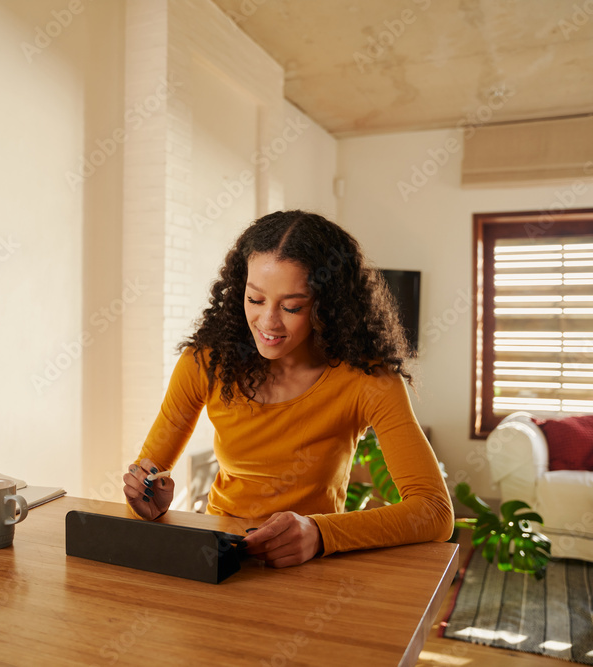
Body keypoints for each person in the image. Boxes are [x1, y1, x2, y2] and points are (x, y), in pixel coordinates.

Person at [121, 210, 453, 568]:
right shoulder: (205, 363)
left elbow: (433, 510)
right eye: (255, 299)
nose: (268, 322)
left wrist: (320, 534)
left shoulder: (368, 381)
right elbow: (148, 474)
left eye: (292, 306)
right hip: (220, 555)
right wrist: (146, 502)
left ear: (328, 306)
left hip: (311, 566)